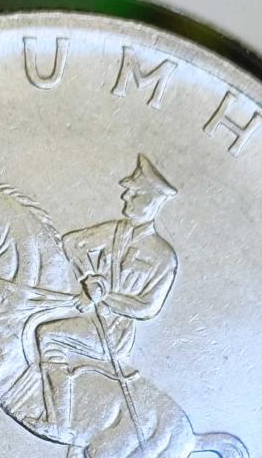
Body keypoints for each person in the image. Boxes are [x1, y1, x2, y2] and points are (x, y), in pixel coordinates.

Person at [27, 154, 179, 442]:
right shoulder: (114, 232)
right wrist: (89, 277)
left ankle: (58, 421)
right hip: (88, 317)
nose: (125, 197)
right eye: (128, 192)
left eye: (134, 194)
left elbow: (147, 308)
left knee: (48, 335)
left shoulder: (162, 256)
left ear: (152, 200)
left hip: (113, 333)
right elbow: (71, 242)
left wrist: (105, 296)